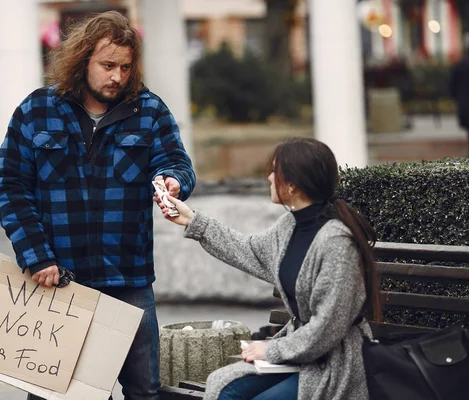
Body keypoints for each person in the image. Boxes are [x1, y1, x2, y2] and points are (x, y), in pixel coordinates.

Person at [0, 11, 196, 400]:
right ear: (83, 58)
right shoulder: (36, 111)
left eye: (125, 67)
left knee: (145, 391)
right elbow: (11, 186)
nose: (117, 76)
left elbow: (176, 161)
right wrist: (36, 256)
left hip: (130, 281)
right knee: (59, 394)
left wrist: (174, 180)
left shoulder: (149, 110)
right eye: (107, 65)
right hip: (58, 282)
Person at [160, 137, 378, 400]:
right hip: (300, 354)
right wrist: (192, 220)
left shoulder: (336, 243)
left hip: (334, 364)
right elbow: (247, 250)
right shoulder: (289, 227)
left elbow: (327, 330)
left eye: (275, 171)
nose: (270, 178)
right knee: (221, 387)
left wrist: (270, 351)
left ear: (293, 185)